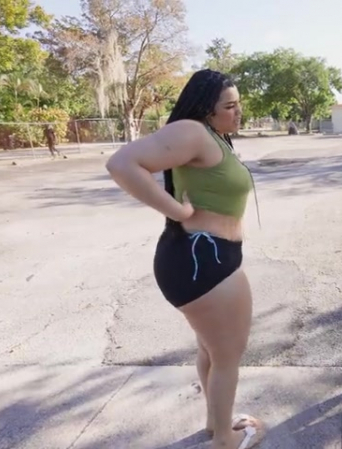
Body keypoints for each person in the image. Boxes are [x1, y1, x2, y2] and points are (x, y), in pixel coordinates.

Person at [105, 69, 264, 449]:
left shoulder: (214, 137)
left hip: (206, 258)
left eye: (239, 104)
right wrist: (177, 211)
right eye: (230, 106)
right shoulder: (193, 131)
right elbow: (121, 164)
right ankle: (225, 439)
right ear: (207, 110)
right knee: (228, 355)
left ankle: (215, 422)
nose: (238, 112)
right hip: (203, 260)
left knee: (212, 349)